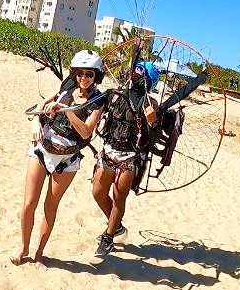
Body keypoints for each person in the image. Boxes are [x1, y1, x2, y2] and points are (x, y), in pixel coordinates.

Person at [12, 49, 106, 269]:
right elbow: (41, 105)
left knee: (49, 207)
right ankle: (23, 248)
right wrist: (36, 122)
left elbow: (85, 132)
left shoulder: (97, 100)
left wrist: (66, 110)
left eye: (89, 74)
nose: (83, 78)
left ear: (96, 76)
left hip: (67, 159)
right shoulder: (67, 86)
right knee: (28, 203)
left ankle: (38, 254)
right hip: (42, 149)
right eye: (80, 73)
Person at [91, 60, 160, 256]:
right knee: (98, 192)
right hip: (108, 151)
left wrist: (153, 122)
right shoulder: (114, 95)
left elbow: (153, 138)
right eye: (134, 73)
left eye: (139, 75)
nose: (134, 77)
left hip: (129, 157)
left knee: (119, 197)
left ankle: (108, 237)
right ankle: (118, 226)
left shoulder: (150, 105)